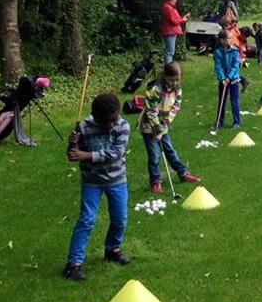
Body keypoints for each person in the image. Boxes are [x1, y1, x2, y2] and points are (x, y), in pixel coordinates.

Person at [64, 93, 131, 280]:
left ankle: (112, 250)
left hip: (117, 179)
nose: (110, 125)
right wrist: (72, 145)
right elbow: (72, 156)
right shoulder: (84, 127)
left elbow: (115, 154)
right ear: (95, 117)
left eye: (113, 120)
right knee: (86, 220)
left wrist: (86, 156)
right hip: (92, 181)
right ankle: (74, 264)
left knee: (120, 219)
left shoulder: (123, 126)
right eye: (105, 122)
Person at [140, 63, 201, 193]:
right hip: (149, 126)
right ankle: (156, 182)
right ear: (165, 76)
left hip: (163, 125)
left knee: (170, 151)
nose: (174, 83)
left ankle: (182, 173)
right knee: (155, 155)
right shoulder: (155, 89)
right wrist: (157, 129)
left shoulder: (177, 89)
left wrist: (165, 125)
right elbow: (151, 111)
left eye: (177, 80)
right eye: (172, 80)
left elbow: (175, 108)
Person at [213, 30, 242, 131]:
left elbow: (236, 66)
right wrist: (222, 78)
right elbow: (218, 66)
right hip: (223, 81)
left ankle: (237, 122)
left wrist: (229, 77)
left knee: (234, 101)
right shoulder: (217, 52)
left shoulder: (235, 51)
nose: (231, 40)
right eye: (229, 38)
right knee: (222, 101)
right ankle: (219, 122)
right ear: (222, 40)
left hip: (234, 80)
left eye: (231, 38)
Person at [160, 0, 189, 64]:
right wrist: (183, 20)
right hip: (170, 31)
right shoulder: (168, 7)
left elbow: (176, 19)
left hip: (171, 31)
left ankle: (169, 67)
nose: (176, 0)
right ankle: (168, 68)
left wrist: (183, 17)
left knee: (170, 51)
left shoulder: (169, 7)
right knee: (170, 52)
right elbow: (173, 21)